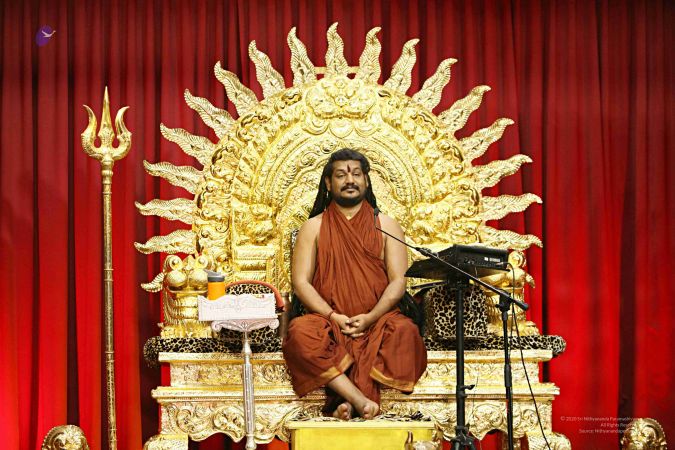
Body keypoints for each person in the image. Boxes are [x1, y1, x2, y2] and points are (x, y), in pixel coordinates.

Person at [282, 148, 427, 420]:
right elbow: (301, 282)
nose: (350, 180)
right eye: (341, 175)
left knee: (405, 333)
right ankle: (360, 400)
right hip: (327, 320)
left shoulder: (387, 226)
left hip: (379, 319)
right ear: (328, 183)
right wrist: (333, 316)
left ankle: (345, 403)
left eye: (356, 174)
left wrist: (371, 317)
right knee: (300, 334)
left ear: (367, 181)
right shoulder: (313, 227)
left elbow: (398, 281)